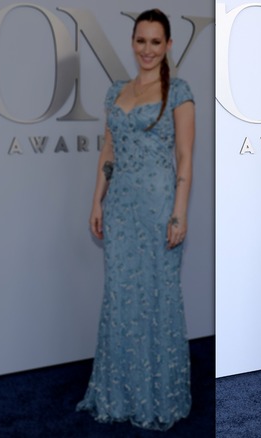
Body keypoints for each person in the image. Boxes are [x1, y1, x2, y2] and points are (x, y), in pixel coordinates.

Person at [76, 9, 195, 431]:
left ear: (168, 46)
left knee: (157, 298)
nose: (147, 49)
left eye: (155, 42)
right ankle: (119, 392)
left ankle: (157, 396)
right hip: (121, 209)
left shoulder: (178, 92)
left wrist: (179, 212)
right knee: (121, 297)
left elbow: (185, 158)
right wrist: (97, 202)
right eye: (141, 41)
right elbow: (108, 151)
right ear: (132, 43)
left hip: (159, 206)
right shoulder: (116, 93)